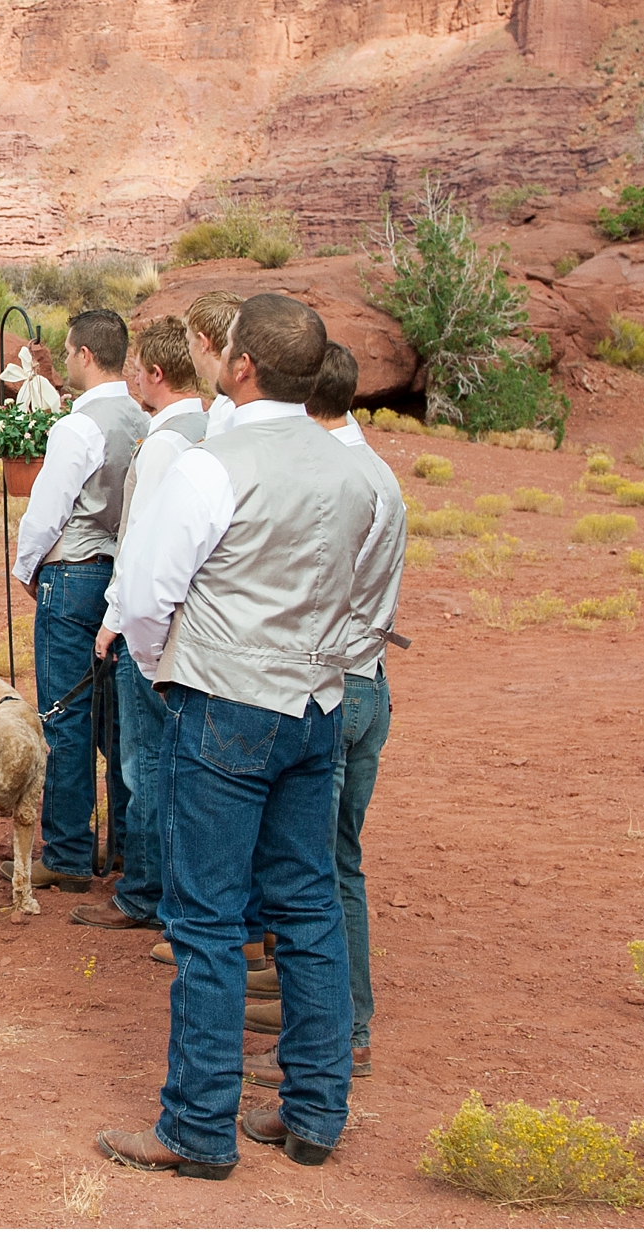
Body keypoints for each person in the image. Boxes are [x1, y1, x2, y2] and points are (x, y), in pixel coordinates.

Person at [99, 294, 385, 1179]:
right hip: (317, 707)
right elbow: (364, 594)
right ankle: (314, 1114)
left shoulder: (211, 466)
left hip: (224, 703)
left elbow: (148, 597)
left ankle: (195, 1127)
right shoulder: (357, 471)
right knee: (307, 911)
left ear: (243, 364)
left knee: (208, 919)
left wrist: (159, 668)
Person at [245, 345, 405, 1087]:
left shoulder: (332, 478)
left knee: (324, 872)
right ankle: (324, 1010)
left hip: (328, 686)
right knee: (330, 862)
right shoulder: (376, 472)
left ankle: (345, 1030)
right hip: (367, 680)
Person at [6, 307, 146, 892]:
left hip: (73, 574)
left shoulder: (76, 427)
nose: (65, 361)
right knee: (118, 723)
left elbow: (48, 509)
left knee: (64, 712)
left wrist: (24, 567)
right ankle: (121, 848)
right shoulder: (143, 419)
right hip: (123, 577)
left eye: (67, 352)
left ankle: (65, 852)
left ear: (86, 355)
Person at [76, 315, 208, 932]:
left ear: (155, 374)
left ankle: (146, 892)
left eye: (136, 371)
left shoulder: (161, 446)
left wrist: (114, 619)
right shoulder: (207, 427)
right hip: (192, 625)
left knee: (144, 763)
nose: (130, 379)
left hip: (147, 623)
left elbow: (142, 542)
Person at [184, 290, 243, 439]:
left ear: (204, 342)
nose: (188, 349)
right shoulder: (235, 399)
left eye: (189, 341)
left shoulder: (228, 412)